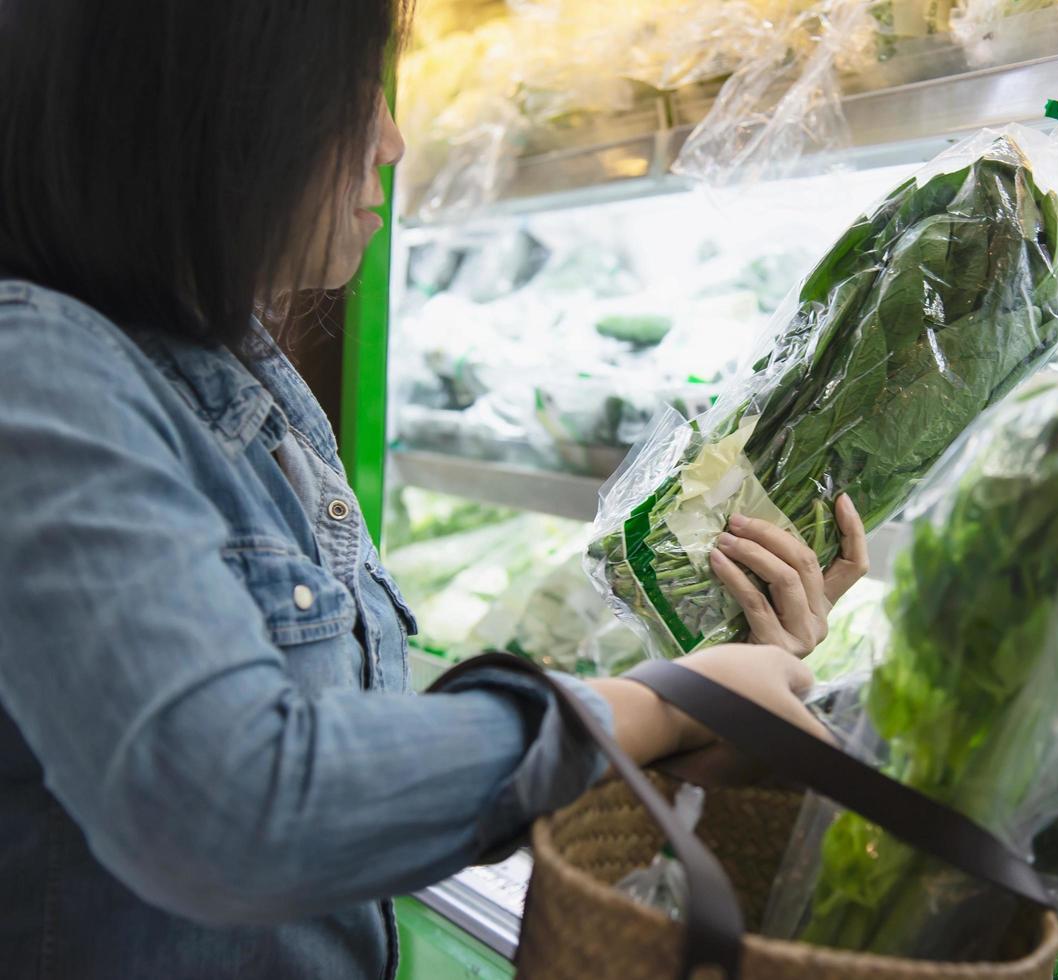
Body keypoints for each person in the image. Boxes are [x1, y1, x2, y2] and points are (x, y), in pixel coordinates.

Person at [0, 3, 870, 977]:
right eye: (351, 89)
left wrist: (706, 715)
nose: (391, 137)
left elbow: (350, 792)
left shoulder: (241, 380)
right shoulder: (34, 369)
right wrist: (652, 706)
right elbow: (232, 801)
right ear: (210, 105)